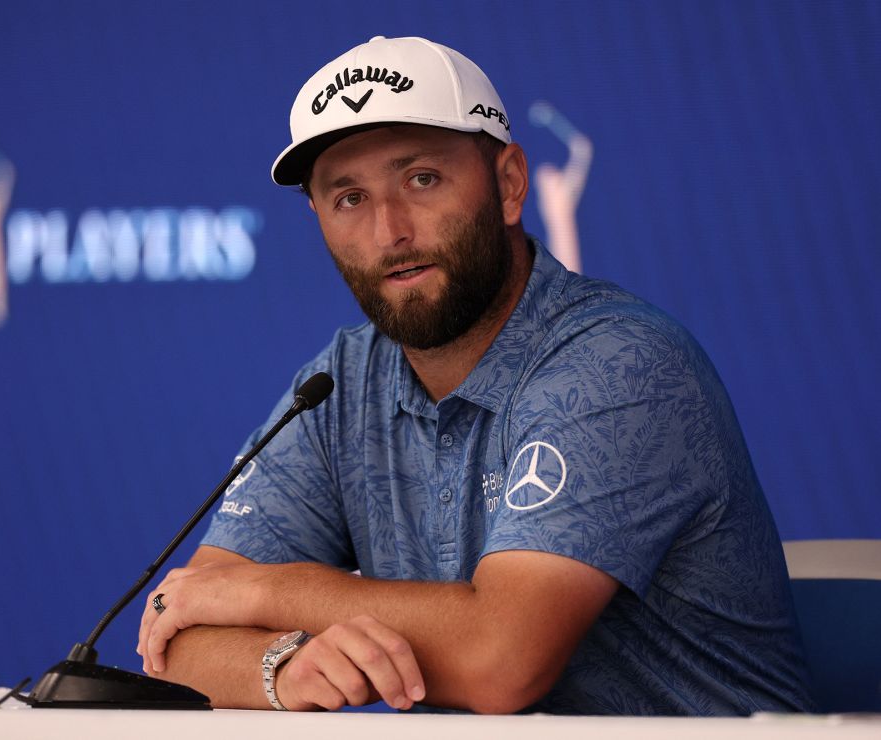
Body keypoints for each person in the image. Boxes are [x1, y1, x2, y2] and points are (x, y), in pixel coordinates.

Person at [136, 35, 813, 715]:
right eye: (349, 198)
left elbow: (501, 661)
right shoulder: (342, 382)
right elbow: (178, 628)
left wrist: (270, 592)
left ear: (510, 183)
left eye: (422, 179)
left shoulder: (621, 362)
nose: (387, 231)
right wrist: (278, 668)